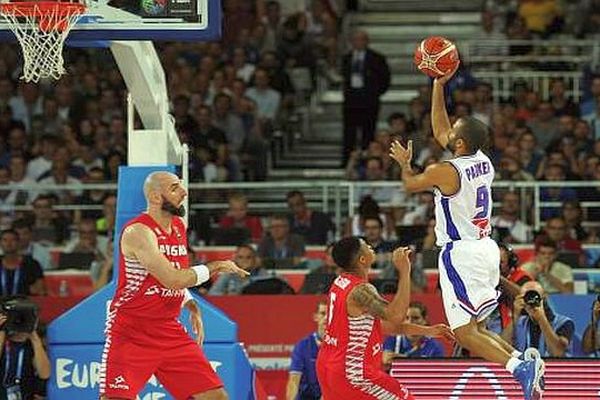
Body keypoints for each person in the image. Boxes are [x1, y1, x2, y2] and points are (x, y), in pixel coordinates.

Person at [389, 64, 544, 399]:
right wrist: (437, 84)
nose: (446, 134)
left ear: (458, 142)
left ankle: (520, 369)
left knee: (462, 331)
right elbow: (441, 126)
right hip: (485, 247)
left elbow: (409, 186)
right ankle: (521, 363)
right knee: (473, 328)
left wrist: (404, 163)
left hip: (462, 253)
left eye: (453, 132)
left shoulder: (443, 170)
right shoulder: (483, 159)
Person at [99, 171, 248, 400]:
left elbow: (175, 276)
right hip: (132, 331)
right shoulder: (138, 231)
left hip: (168, 329)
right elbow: (172, 278)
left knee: (216, 397)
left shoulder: (178, 226)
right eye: (174, 188)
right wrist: (216, 266)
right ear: (156, 197)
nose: (184, 192)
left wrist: (189, 302)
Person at [316, 237, 452, 400]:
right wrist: (404, 271)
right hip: (352, 372)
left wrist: (428, 330)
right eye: (366, 246)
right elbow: (396, 316)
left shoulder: (340, 282)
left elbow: (384, 326)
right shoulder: (361, 290)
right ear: (362, 259)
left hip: (327, 366)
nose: (370, 246)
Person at [341, 30, 390, 164]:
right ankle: (347, 160)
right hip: (351, 101)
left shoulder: (377, 58)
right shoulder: (346, 58)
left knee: (368, 132)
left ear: (367, 41)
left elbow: (385, 79)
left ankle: (366, 160)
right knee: (349, 133)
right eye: (356, 39)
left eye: (361, 39)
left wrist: (374, 93)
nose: (358, 43)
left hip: (369, 101)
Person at [504, 281, 576, 357]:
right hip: (524, 367)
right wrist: (515, 315)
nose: (531, 300)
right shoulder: (518, 322)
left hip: (553, 368)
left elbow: (557, 353)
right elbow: (502, 347)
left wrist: (541, 318)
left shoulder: (564, 323)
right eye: (527, 296)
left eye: (535, 296)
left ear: (544, 297)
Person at [0, 313, 51, 400]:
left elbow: (45, 374)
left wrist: (34, 336)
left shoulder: (33, 346)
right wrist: (1, 331)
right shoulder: (3, 342)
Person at [382, 302, 445, 368]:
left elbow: (438, 371)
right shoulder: (392, 340)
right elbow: (386, 359)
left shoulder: (434, 346)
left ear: (425, 320)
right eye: (407, 318)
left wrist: (402, 359)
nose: (410, 322)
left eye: (415, 318)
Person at [286, 300, 327, 400]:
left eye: (330, 314)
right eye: (323, 313)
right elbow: (294, 381)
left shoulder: (341, 346)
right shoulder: (303, 346)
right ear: (315, 317)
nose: (326, 318)